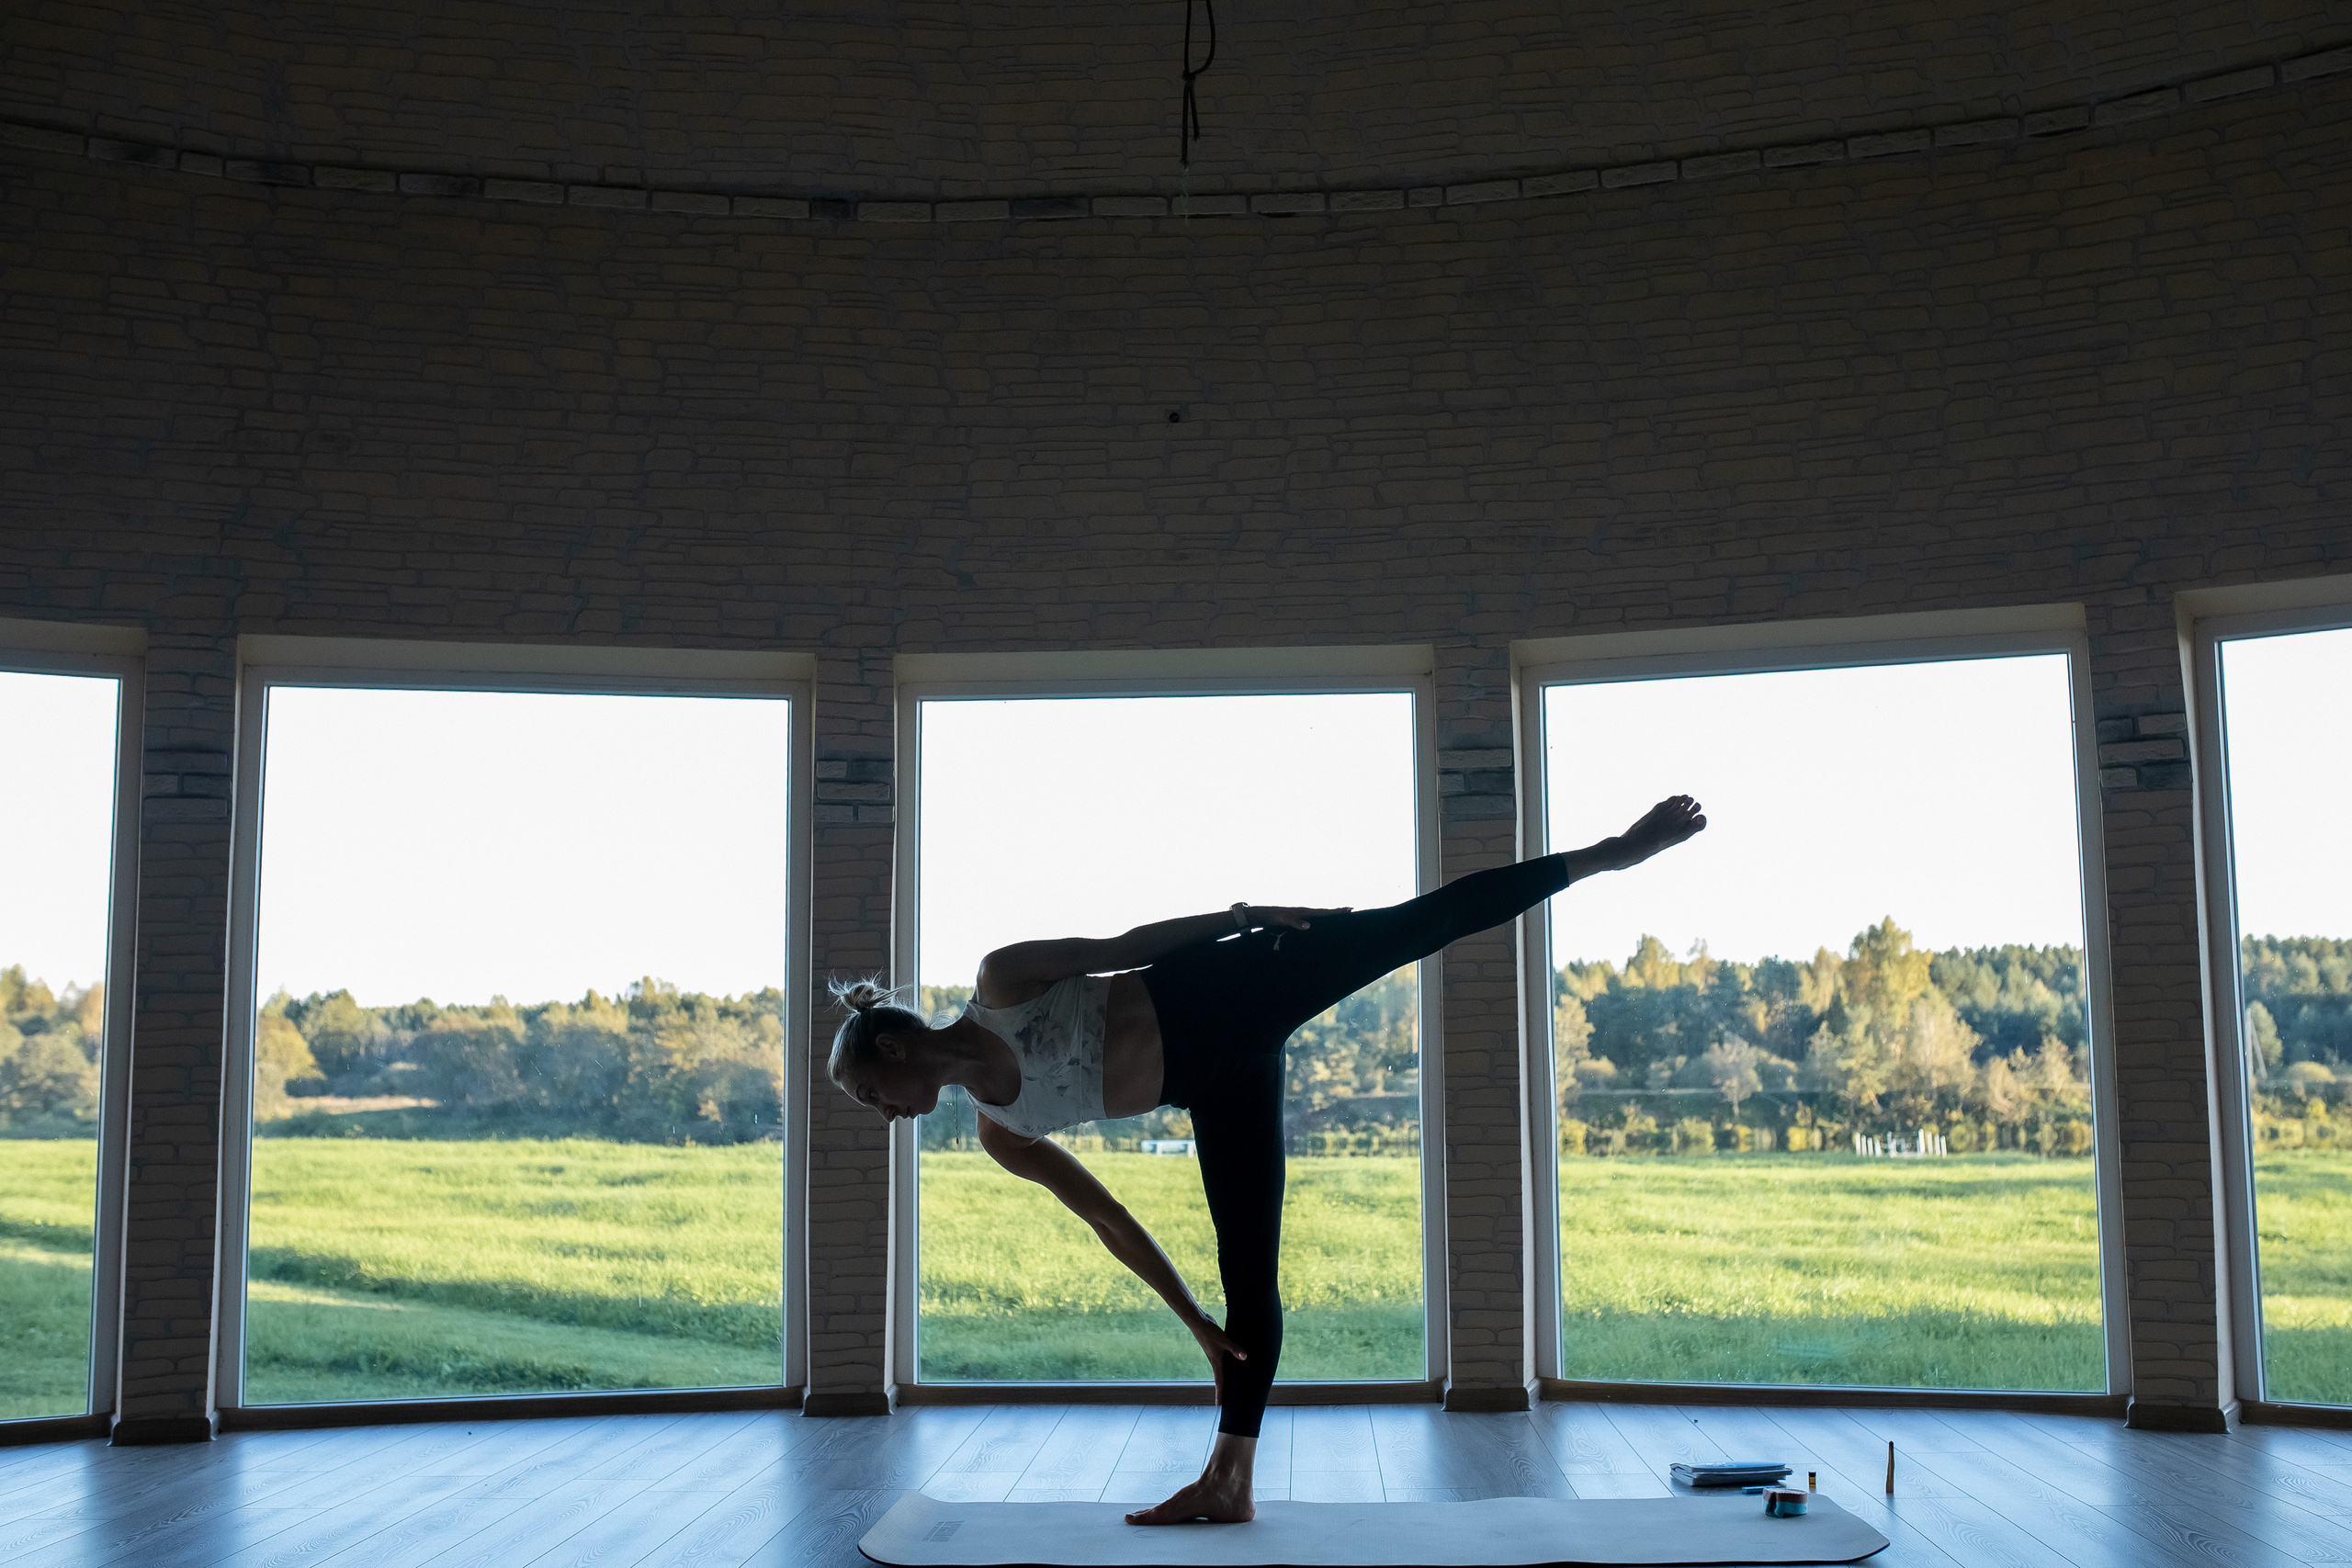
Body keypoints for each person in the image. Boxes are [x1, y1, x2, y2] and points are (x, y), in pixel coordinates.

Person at [828, 795, 1707, 1525]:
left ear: (894, 1054)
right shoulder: (1000, 1133)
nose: (882, 1115)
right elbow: (1112, 1220)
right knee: (1248, 1276)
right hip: (1219, 1084)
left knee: (1416, 925)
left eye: (869, 1095)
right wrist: (1193, 1324)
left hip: (1237, 979)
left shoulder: (1001, 981)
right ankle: (1231, 1481)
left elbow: (1125, 946)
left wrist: (1244, 917)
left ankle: (1608, 853)